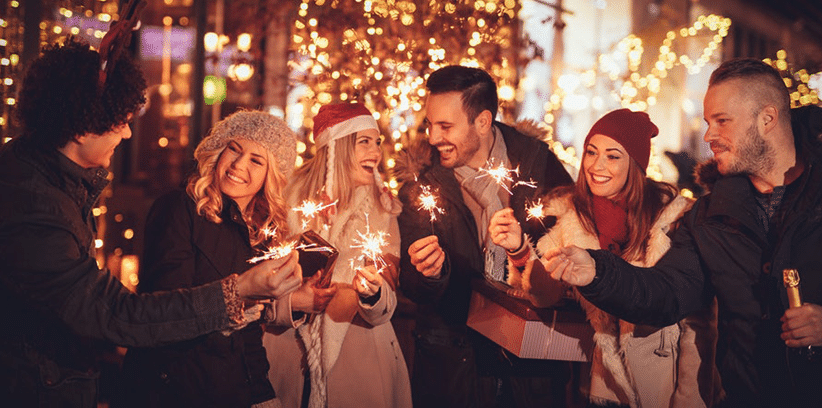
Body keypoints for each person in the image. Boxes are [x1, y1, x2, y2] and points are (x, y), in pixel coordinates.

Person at [0, 38, 301, 406]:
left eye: (257, 161)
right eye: (121, 122)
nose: (128, 133)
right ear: (82, 129)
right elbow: (119, 315)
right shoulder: (36, 209)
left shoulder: (55, 182)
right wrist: (238, 291)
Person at [542, 58, 822, 407]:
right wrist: (599, 272)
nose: (709, 136)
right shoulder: (710, 215)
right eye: (708, 122)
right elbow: (666, 292)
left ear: (767, 119)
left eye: (722, 121)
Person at [489, 109, 723, 407]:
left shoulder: (674, 218)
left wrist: (690, 398)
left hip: (663, 387)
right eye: (591, 152)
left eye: (613, 156)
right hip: (600, 389)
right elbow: (544, 295)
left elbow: (697, 322)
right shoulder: (570, 216)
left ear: (635, 164)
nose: (596, 165)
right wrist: (519, 250)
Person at [395, 65, 574, 408]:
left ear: (482, 121)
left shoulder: (537, 165)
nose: (433, 138)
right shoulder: (421, 182)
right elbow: (412, 284)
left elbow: (570, 254)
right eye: (430, 125)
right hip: (455, 367)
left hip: (529, 370)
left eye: (445, 126)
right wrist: (431, 273)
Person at [117, 110, 304, 408]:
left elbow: (250, 336)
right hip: (170, 389)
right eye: (234, 149)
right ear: (218, 150)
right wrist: (235, 299)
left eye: (256, 160)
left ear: (271, 176)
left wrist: (262, 394)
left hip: (228, 391)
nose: (239, 165)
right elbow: (164, 310)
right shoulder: (179, 208)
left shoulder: (259, 233)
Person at [264, 102, 412, 408]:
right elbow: (260, 284)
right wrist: (292, 303)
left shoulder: (382, 209)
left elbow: (387, 302)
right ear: (338, 147)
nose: (376, 151)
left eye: (377, 142)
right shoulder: (287, 200)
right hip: (288, 359)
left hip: (360, 362)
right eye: (364, 142)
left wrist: (372, 295)